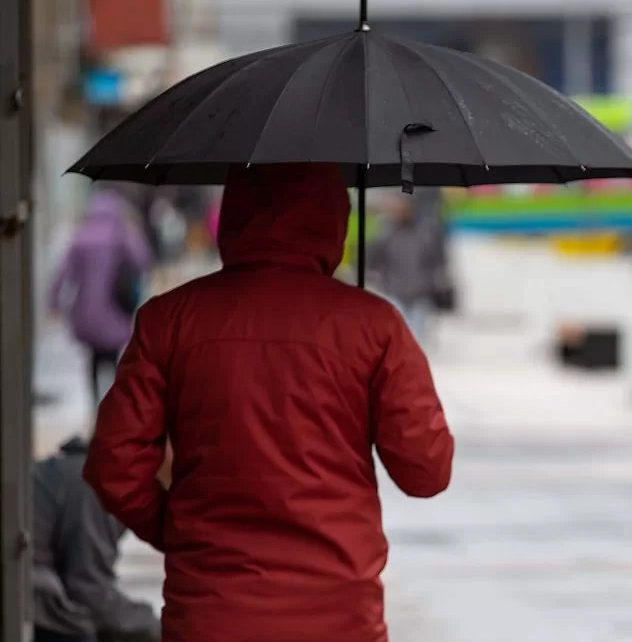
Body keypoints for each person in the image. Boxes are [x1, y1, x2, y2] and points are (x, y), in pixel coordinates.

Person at [83, 163, 455, 642]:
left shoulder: (168, 320)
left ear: (235, 214)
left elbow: (114, 464)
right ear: (332, 219)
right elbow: (426, 471)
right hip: (338, 617)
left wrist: (180, 532)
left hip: (210, 614)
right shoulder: (374, 326)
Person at [33, 436, 161, 642]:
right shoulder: (98, 486)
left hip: (29, 588)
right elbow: (90, 593)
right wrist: (158, 628)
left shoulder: (87, 475)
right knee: (79, 626)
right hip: (25, 595)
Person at [49, 186, 152, 406]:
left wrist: (53, 301)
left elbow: (63, 273)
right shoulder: (121, 235)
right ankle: (112, 404)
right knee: (112, 356)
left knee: (93, 356)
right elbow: (142, 261)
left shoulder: (80, 236)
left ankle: (95, 400)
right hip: (114, 307)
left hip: (85, 309)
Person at [366, 190, 447, 346]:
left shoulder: (427, 229)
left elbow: (439, 257)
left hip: (421, 291)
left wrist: (435, 278)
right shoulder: (385, 230)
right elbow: (373, 258)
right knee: (399, 337)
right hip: (393, 290)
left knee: (417, 339)